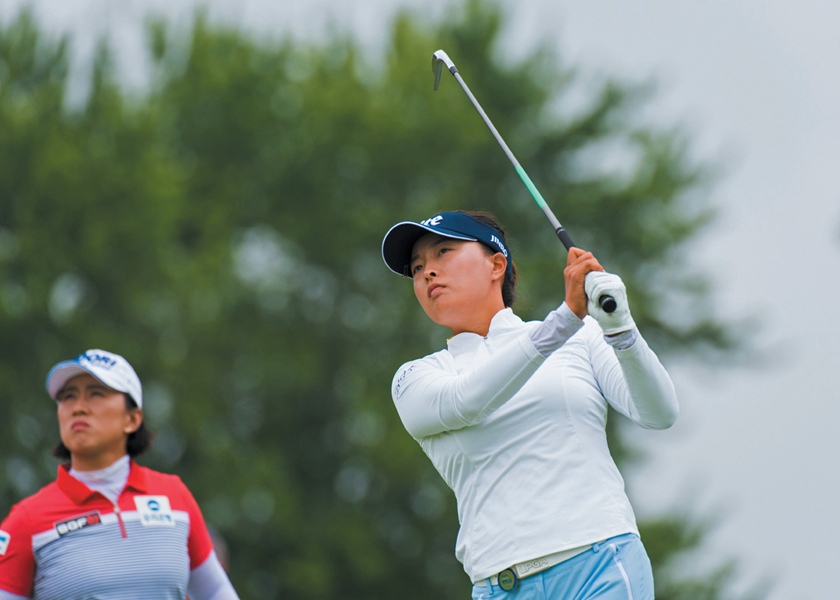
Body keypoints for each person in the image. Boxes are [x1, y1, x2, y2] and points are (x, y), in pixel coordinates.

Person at [381, 211, 678, 599]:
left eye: (443, 252)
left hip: (600, 563)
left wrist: (620, 327)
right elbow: (466, 401)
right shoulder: (416, 378)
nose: (427, 273)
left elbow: (659, 413)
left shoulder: (580, 335)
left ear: (496, 264)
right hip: (500, 587)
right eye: (417, 267)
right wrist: (565, 319)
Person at [0, 349, 239, 600]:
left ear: (132, 419)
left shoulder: (175, 496)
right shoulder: (26, 520)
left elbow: (215, 592)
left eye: (96, 394)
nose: (78, 408)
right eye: (68, 397)